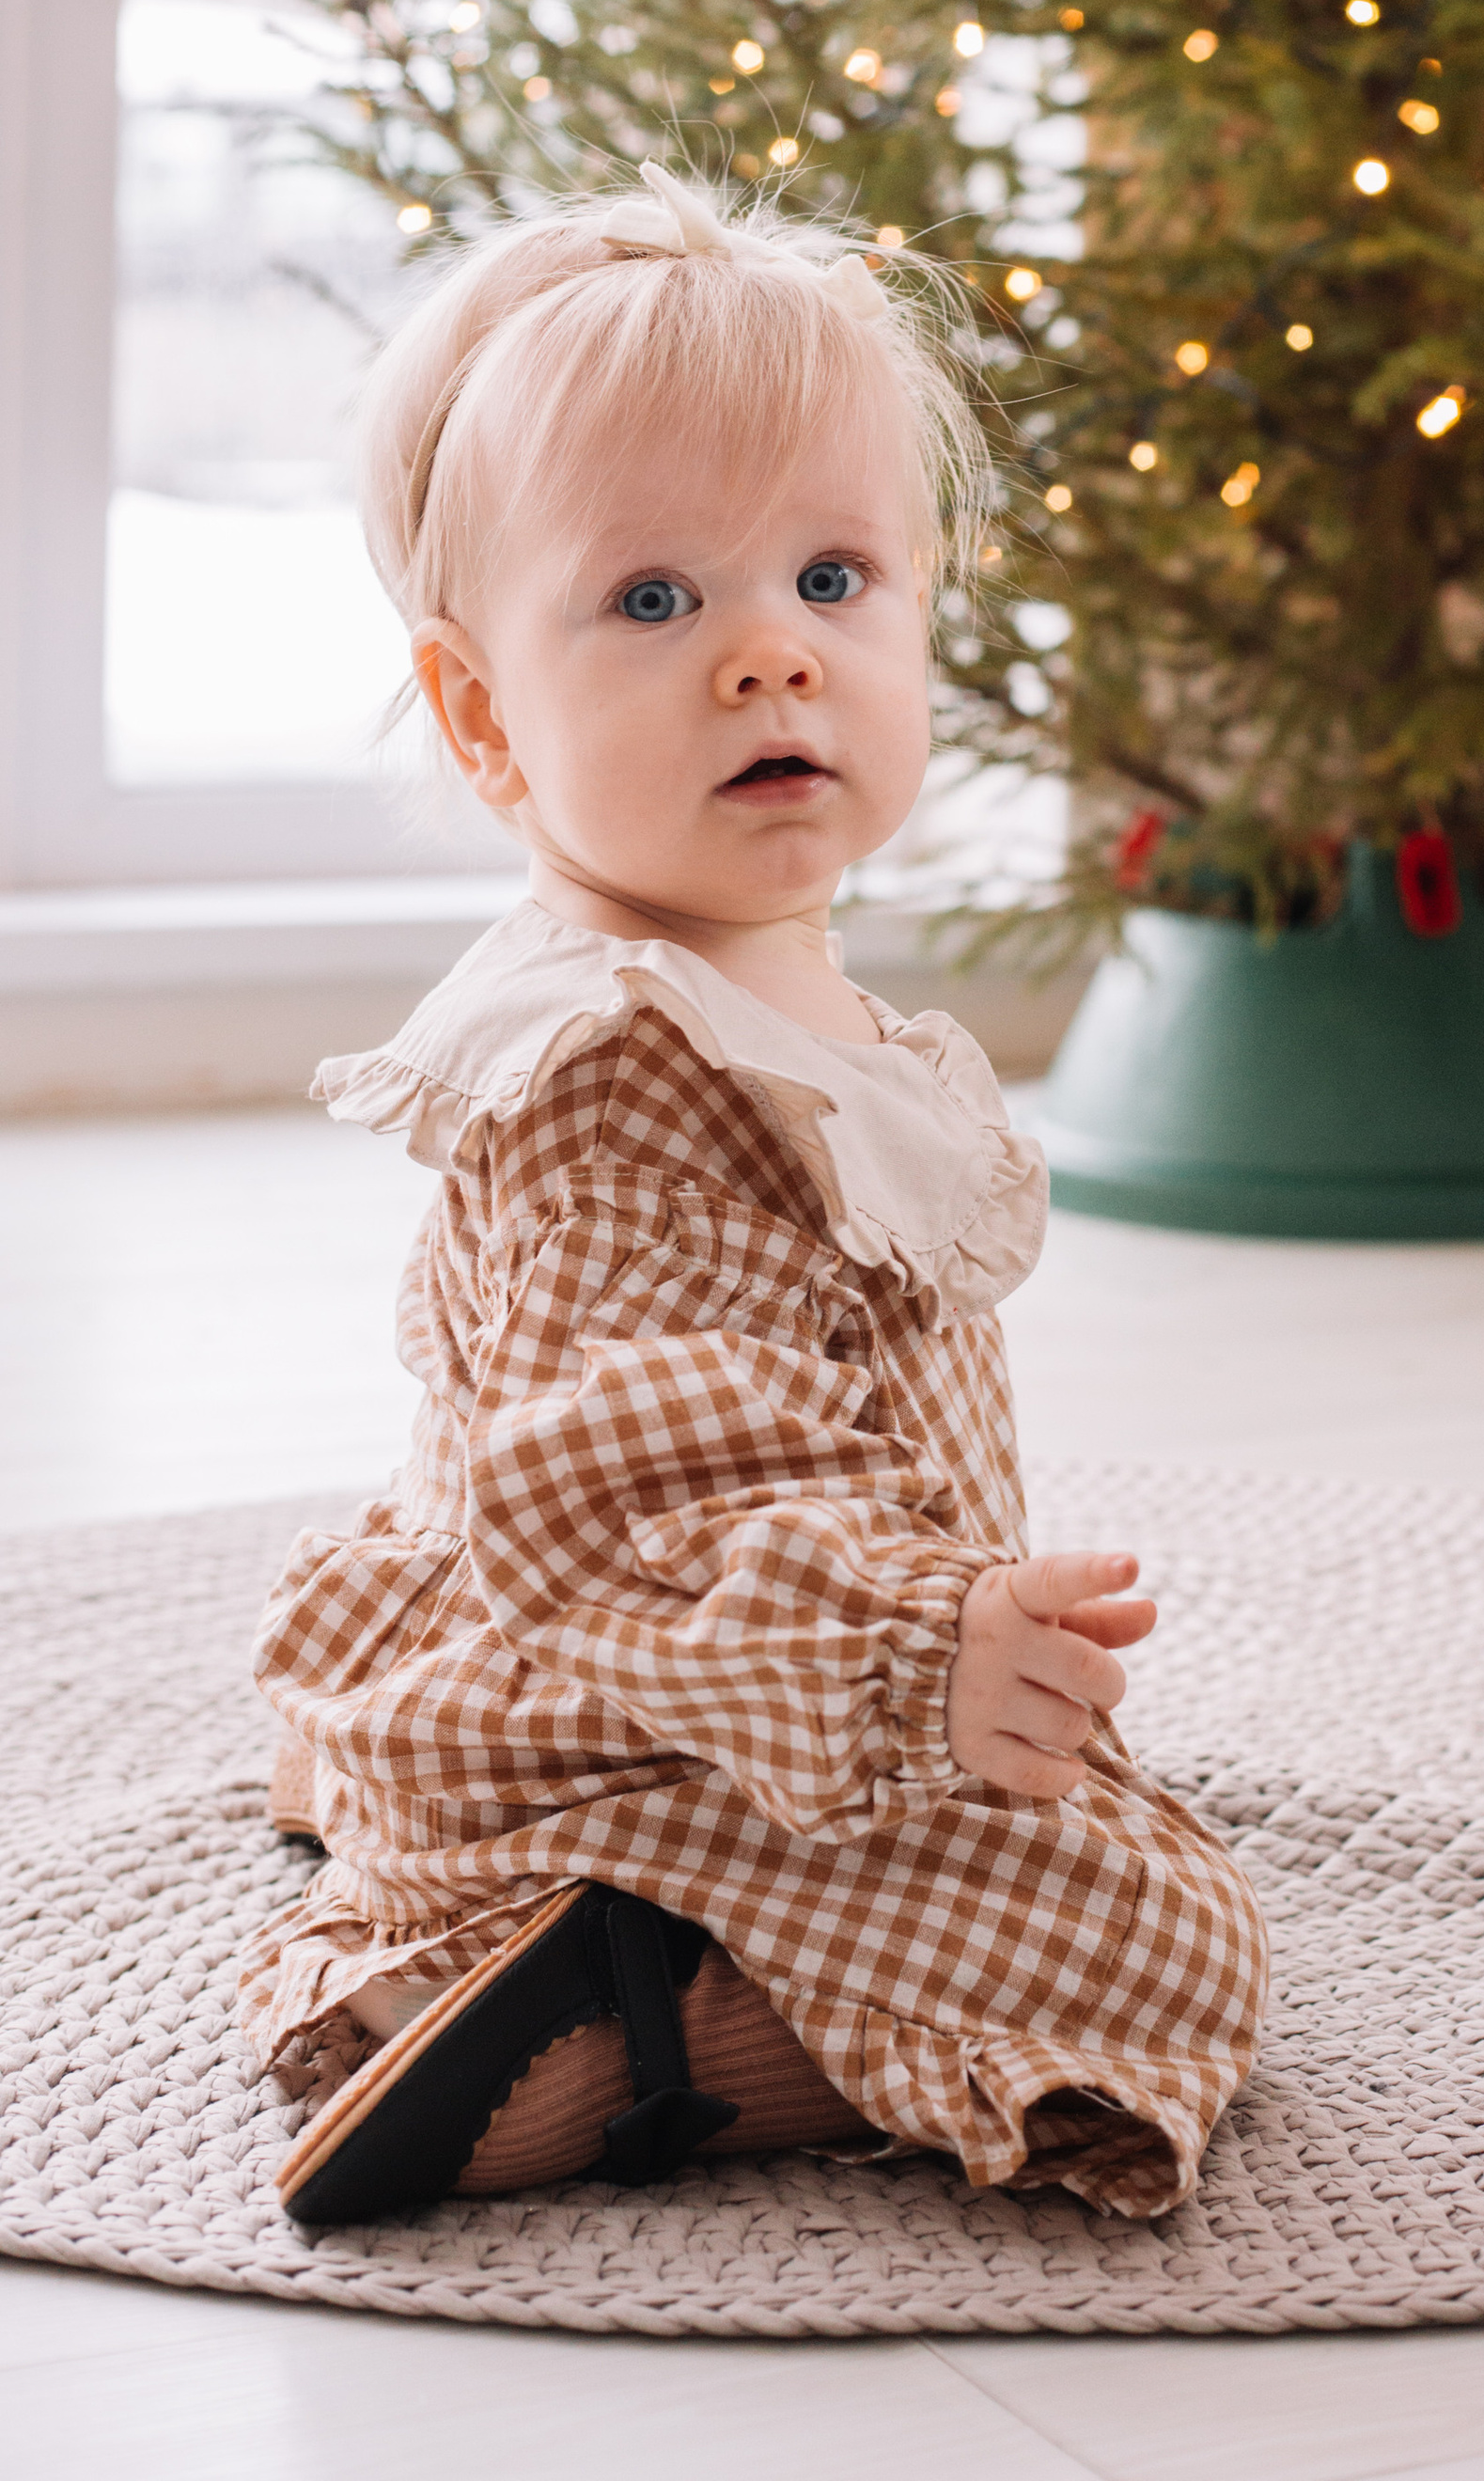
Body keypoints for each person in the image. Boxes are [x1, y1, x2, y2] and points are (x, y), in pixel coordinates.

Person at [242, 166, 1267, 2229]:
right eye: (652, 603)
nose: (765, 662)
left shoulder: (739, 988)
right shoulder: (627, 1071)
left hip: (645, 1651)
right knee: (1172, 1927)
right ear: (480, 716)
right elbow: (641, 1493)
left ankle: (430, 1819)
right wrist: (918, 1656)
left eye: (830, 580)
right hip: (686, 1691)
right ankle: (643, 2041)